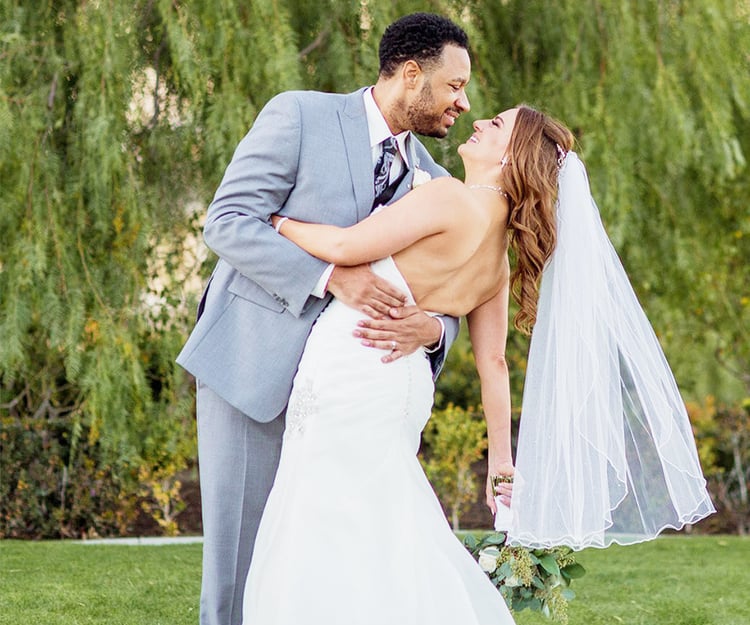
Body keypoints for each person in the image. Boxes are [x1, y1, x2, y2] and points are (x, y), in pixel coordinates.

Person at [244, 103, 714, 623]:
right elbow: (493, 363)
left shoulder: (447, 197)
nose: (479, 123)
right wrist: (501, 461)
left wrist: (276, 220)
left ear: (511, 155)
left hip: (354, 364)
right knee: (379, 510)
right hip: (401, 383)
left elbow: (343, 245)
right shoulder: (499, 259)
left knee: (327, 509)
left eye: (497, 125)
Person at [176, 13, 471, 625]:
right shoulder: (300, 115)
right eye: (454, 86)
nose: (463, 103)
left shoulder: (436, 181)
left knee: (322, 566)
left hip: (350, 398)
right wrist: (330, 277)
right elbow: (227, 221)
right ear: (411, 75)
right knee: (239, 562)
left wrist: (436, 330)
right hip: (253, 367)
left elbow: (456, 287)